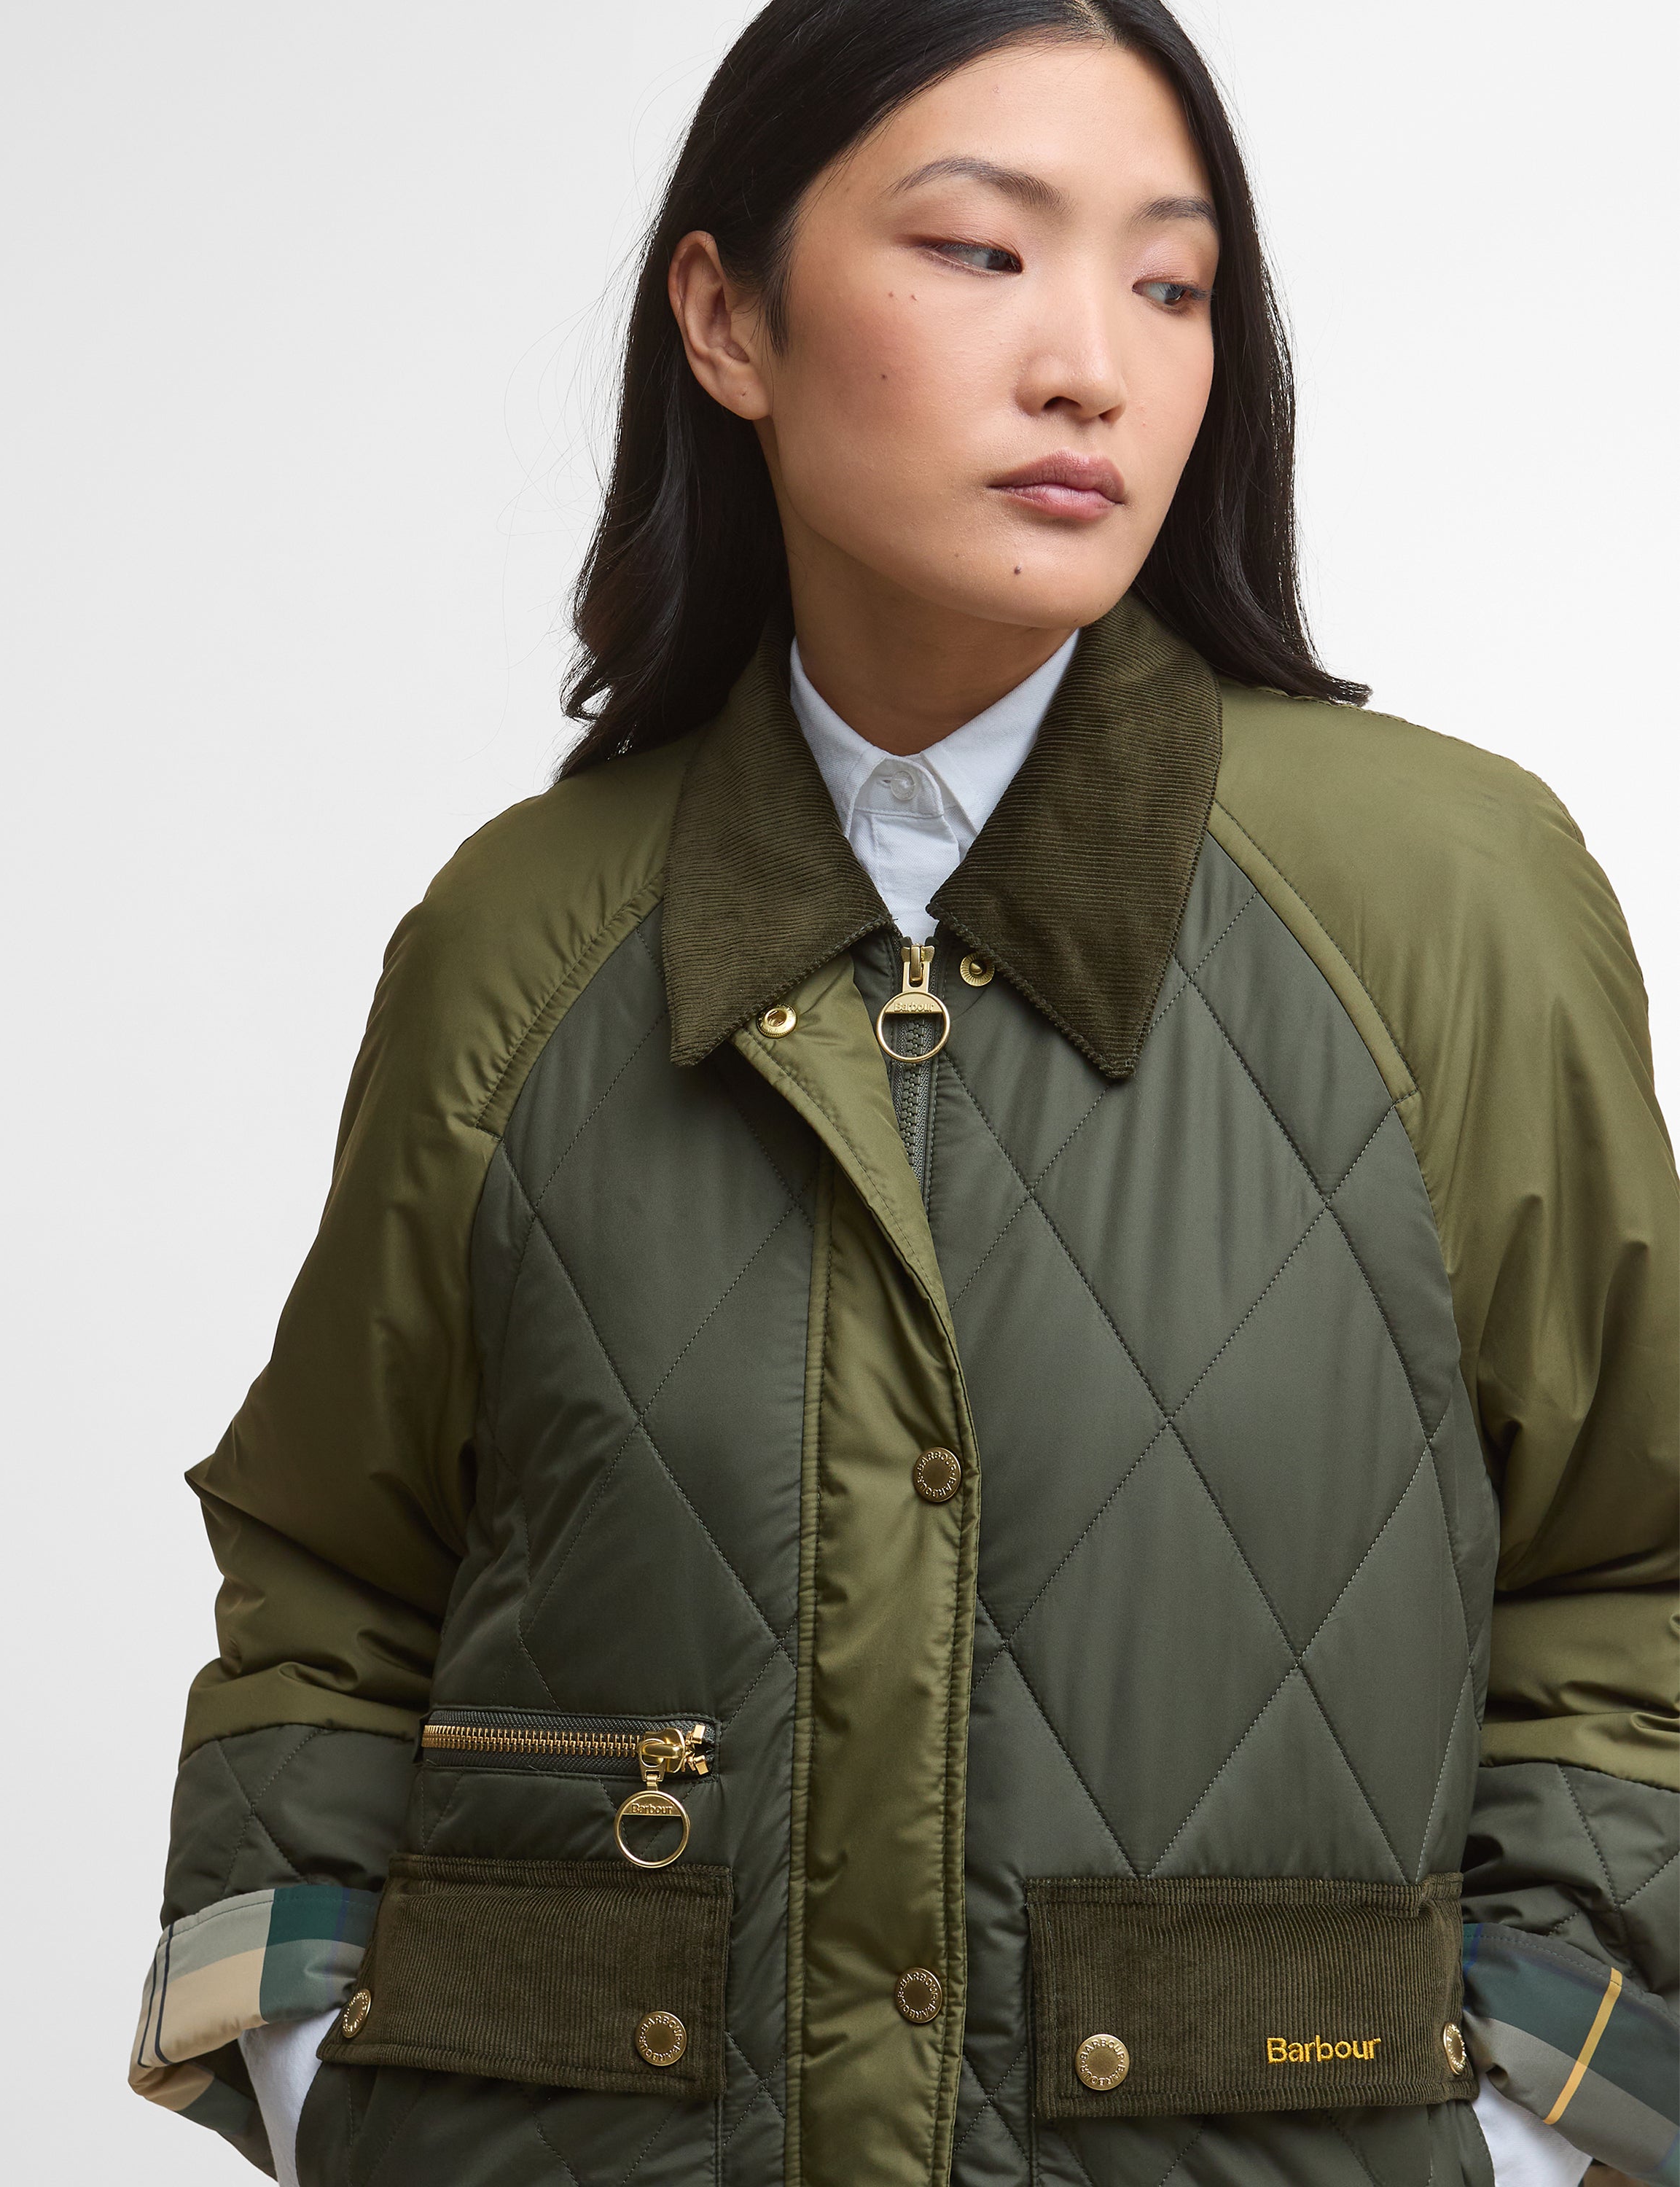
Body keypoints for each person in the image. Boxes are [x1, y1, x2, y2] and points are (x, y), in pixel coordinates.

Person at [128, 3, 1678, 2183]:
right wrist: (318, 2080)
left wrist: (1514, 2131)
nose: (1090, 364)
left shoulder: (1445, 901)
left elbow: (1630, 1570)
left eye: (1170, 284)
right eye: (980, 252)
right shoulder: (519, 933)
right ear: (725, 318)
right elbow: (333, 1585)